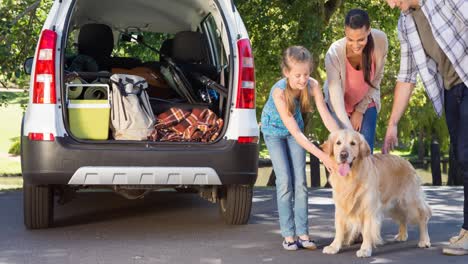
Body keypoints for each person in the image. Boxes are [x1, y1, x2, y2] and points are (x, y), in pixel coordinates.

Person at [381, 0, 468, 256]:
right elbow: (407, 75)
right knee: (462, 160)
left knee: (466, 154)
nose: (389, 4)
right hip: (452, 91)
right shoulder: (405, 22)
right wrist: (392, 123)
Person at [261, 46, 339, 250]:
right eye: (297, 75)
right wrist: (324, 157)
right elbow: (295, 134)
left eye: (306, 73)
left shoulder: (312, 85)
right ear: (286, 73)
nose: (303, 79)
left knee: (301, 182)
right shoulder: (279, 92)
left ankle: (303, 234)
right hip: (274, 133)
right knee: (285, 181)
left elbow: (325, 114)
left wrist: (341, 137)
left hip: (296, 131)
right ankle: (288, 235)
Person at [324, 9, 388, 153]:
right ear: (345, 32)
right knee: (342, 152)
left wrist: (360, 110)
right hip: (340, 105)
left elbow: (377, 78)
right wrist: (349, 131)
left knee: (364, 152)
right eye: (350, 39)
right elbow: (336, 97)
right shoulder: (334, 53)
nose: (355, 45)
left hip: (367, 100)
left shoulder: (380, 40)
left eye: (361, 39)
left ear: (369, 31)